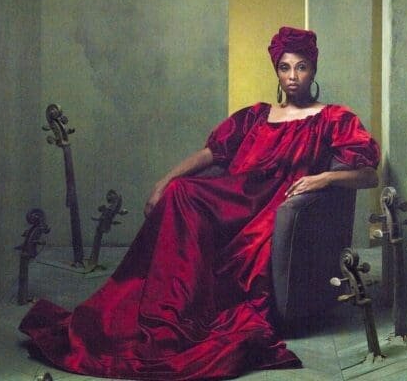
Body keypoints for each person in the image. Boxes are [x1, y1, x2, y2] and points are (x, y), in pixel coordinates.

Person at [19, 26, 380, 380]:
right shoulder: (255, 115)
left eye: (301, 67)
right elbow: (211, 153)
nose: (292, 76)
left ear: (313, 69)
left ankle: (178, 314)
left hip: (272, 207)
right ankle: (165, 311)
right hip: (235, 196)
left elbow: (369, 176)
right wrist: (164, 181)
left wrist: (323, 178)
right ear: (276, 70)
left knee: (233, 254)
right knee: (180, 192)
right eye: (285, 67)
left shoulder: (334, 119)